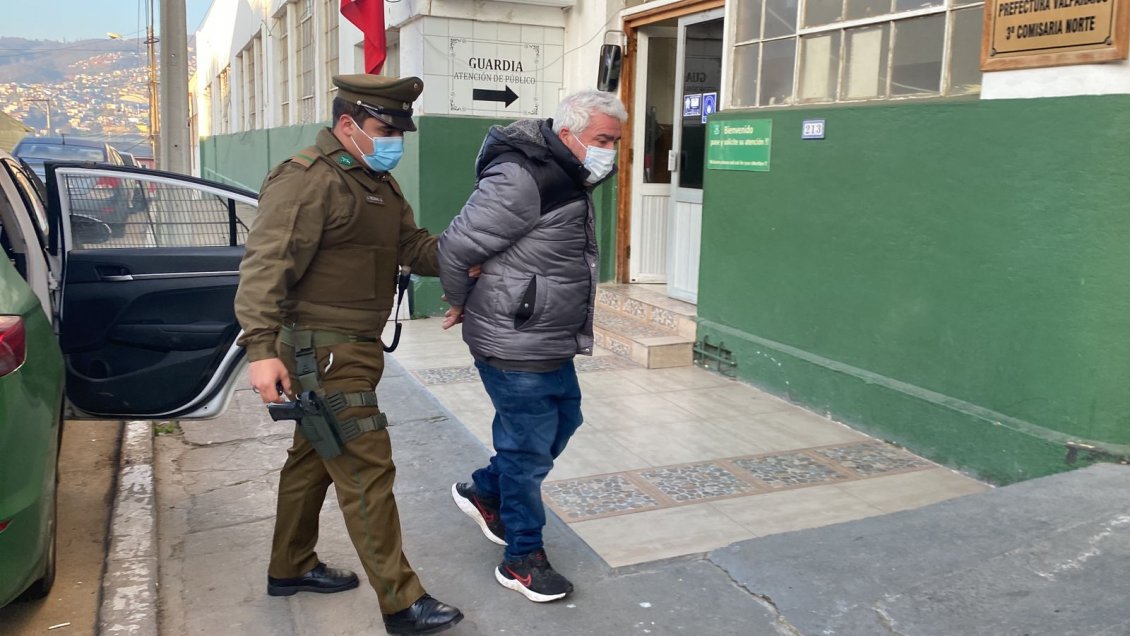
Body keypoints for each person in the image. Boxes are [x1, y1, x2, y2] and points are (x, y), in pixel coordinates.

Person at [234, 74, 462, 635]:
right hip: (323, 350)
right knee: (366, 470)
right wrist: (261, 349)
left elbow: (410, 246)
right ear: (347, 125)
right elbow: (264, 267)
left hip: (351, 348)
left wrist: (468, 253)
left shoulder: (375, 179)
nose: (395, 140)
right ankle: (402, 603)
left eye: (399, 130)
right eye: (385, 129)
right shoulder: (307, 181)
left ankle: (290, 566)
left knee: (311, 461)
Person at [437, 89, 626, 602]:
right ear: (568, 135)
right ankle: (521, 557)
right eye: (603, 140)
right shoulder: (523, 177)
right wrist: (458, 300)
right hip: (513, 338)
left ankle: (485, 490)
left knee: (564, 422)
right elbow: (455, 246)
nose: (610, 151)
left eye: (615, 141)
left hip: (547, 338)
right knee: (525, 451)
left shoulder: (566, 172)